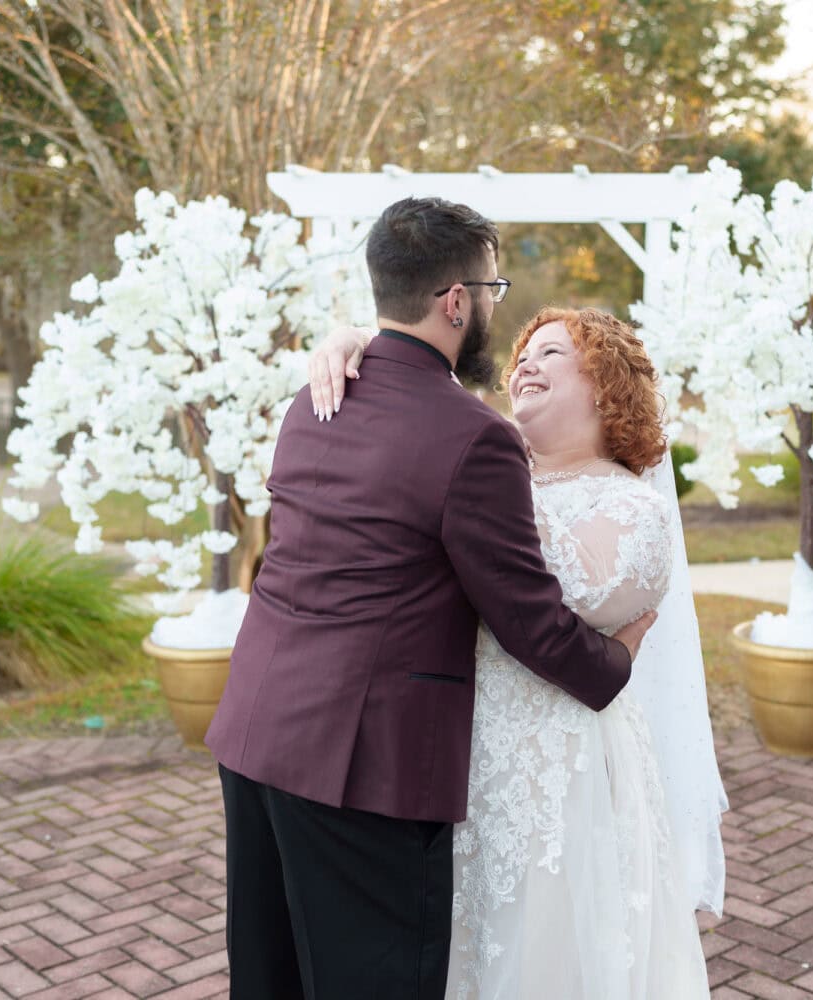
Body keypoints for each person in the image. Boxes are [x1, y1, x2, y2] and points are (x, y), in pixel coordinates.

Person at [204, 197, 658, 1000]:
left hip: (254, 732)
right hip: (361, 765)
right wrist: (612, 662)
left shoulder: (314, 398)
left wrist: (346, 337)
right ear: (456, 301)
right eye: (491, 289)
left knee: (270, 981)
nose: (493, 307)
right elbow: (526, 616)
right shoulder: (471, 436)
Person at [311, 306, 725, 999]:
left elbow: (587, 592)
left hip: (563, 776)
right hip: (460, 762)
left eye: (553, 353)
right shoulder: (484, 468)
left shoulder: (635, 509)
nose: (525, 363)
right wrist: (354, 341)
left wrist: (494, 472)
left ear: (606, 386)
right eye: (522, 355)